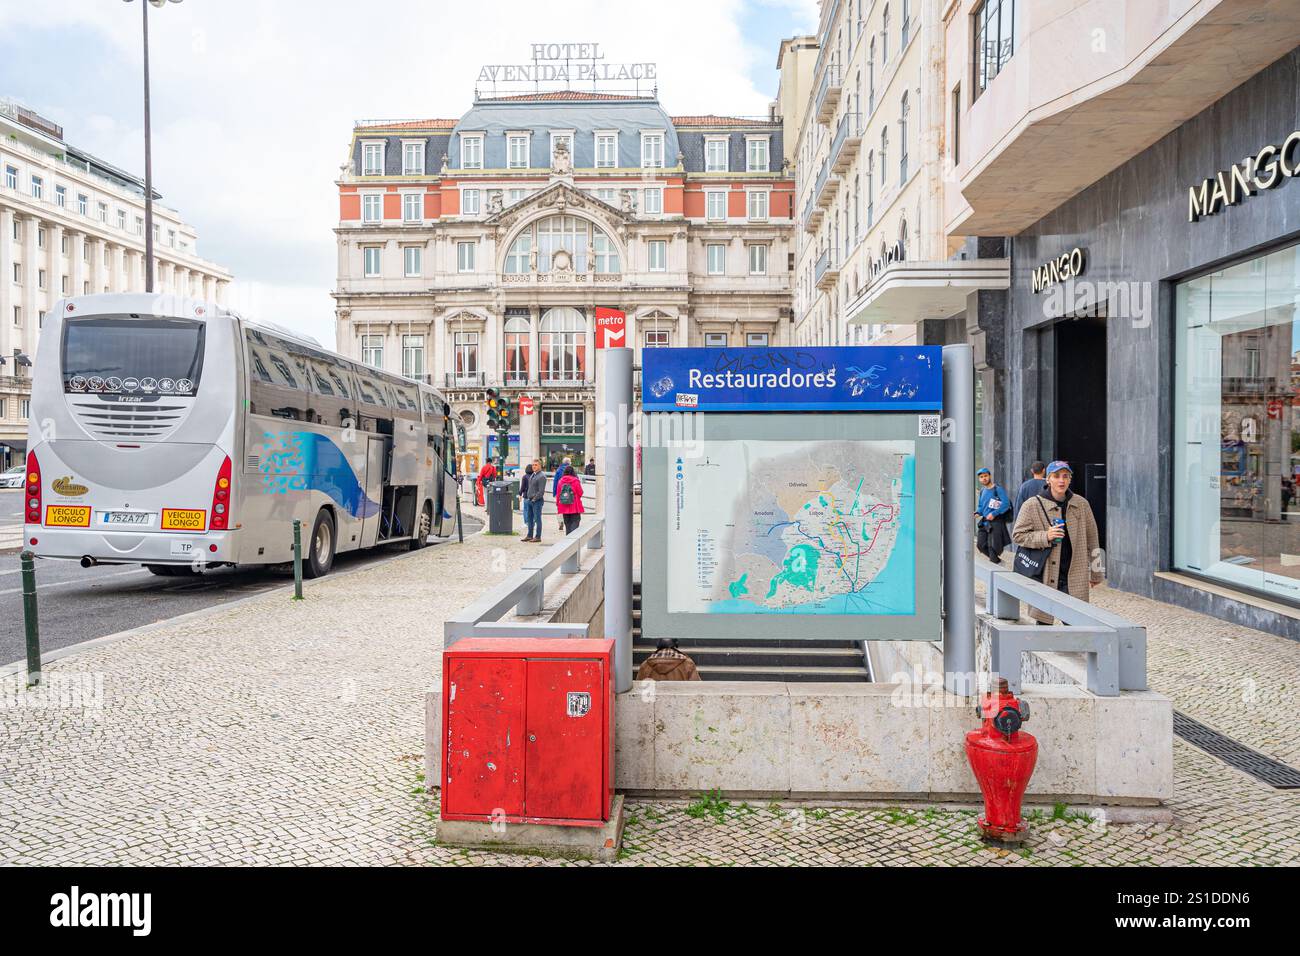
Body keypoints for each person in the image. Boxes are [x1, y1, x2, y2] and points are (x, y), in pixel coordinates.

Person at [1011, 460, 1103, 624]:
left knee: (1075, 623)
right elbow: (1018, 535)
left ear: (1070, 479)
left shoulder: (1081, 504)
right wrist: (1045, 536)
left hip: (1074, 575)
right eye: (1056, 476)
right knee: (1044, 623)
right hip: (1045, 574)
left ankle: (1073, 651)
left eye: (1065, 476)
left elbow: (1093, 539)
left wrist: (1097, 572)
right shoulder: (1032, 505)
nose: (1061, 480)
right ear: (1048, 479)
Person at [975, 467, 1013, 564]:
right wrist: (977, 512)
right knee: (980, 545)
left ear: (990, 476)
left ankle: (994, 562)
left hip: (996, 522)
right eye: (981, 477)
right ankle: (997, 562)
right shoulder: (983, 491)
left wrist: (994, 513)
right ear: (979, 479)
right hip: (985, 522)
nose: (984, 478)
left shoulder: (998, 489)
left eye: (986, 476)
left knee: (993, 547)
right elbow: (981, 506)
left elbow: (1006, 504)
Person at [635, 638, 701, 681]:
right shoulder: (687, 664)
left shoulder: (645, 665)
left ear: (658, 645)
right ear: (676, 644)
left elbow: (639, 691)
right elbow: (697, 689)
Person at [521, 458, 547, 542]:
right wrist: (529, 498)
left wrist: (534, 499)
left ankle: (538, 537)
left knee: (537, 519)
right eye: (533, 465)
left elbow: (541, 491)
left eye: (536, 465)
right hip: (529, 500)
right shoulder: (533, 475)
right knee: (529, 519)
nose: (534, 466)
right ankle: (529, 535)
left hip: (537, 501)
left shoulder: (542, 476)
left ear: (540, 466)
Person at [555, 463, 585, 534]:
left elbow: (558, 495)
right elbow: (580, 492)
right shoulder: (576, 481)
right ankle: (573, 541)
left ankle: (568, 541)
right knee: (575, 524)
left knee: (567, 525)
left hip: (564, 507)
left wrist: (558, 504)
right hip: (574, 507)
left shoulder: (560, 481)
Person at [553, 456, 572, 531]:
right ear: (569, 463)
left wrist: (554, 493)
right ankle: (567, 521)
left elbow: (555, 482)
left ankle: (560, 522)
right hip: (570, 493)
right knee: (568, 507)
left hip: (560, 492)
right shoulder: (571, 470)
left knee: (560, 507)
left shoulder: (558, 470)